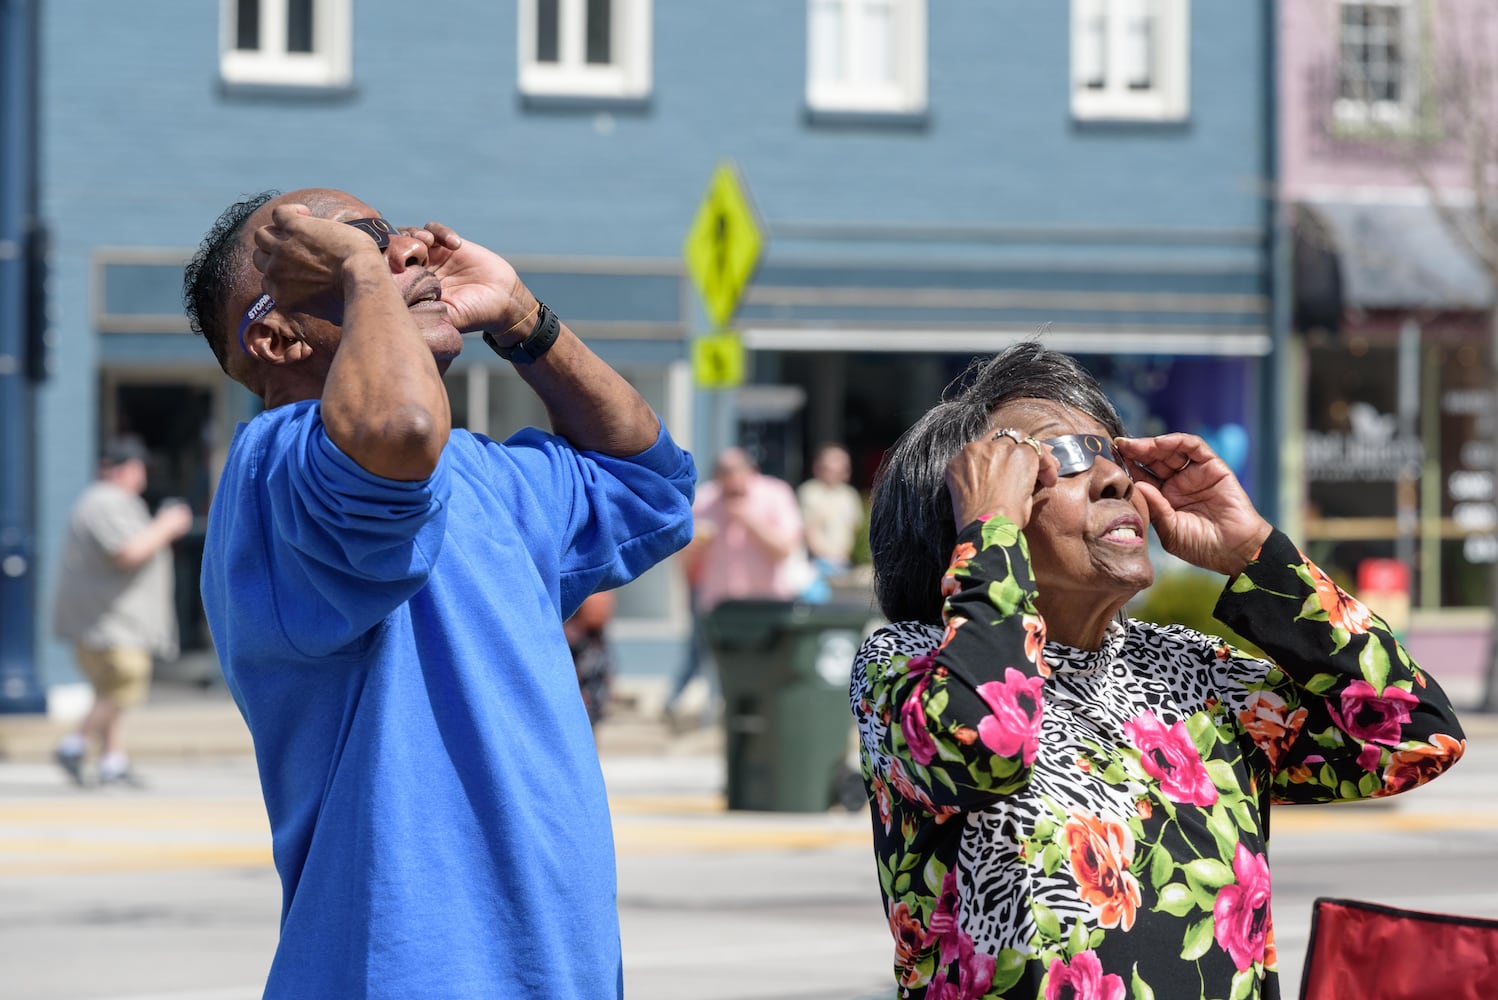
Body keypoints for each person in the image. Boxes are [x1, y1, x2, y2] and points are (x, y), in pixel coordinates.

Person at [181, 188, 695, 998]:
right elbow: (394, 436)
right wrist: (363, 273)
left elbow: (649, 487)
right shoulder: (273, 470)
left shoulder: (479, 473)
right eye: (347, 242)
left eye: (393, 238)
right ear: (275, 337)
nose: (404, 253)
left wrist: (524, 319)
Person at [851, 342, 1466, 999]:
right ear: (971, 507)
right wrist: (990, 533)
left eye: (1115, 456)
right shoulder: (906, 666)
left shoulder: (1188, 671)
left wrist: (1256, 555)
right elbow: (984, 742)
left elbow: (1413, 735)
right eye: (1066, 458)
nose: (1118, 481)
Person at [52, 439, 194, 787]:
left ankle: (112, 762)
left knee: (109, 693)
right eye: (136, 466)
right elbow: (127, 552)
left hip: (110, 620)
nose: (140, 473)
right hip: (111, 622)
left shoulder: (115, 501)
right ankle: (74, 743)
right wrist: (168, 525)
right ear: (119, 469)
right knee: (126, 683)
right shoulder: (104, 501)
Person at [664, 447, 805, 724]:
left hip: (768, 603)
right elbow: (683, 563)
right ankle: (723, 725)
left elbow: (785, 549)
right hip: (720, 606)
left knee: (767, 675)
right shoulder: (705, 499)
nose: (729, 482)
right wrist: (693, 550)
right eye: (722, 475)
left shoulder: (775, 494)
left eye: (735, 473)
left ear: (751, 472)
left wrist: (748, 520)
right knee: (720, 671)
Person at [797, 442, 865, 579]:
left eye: (842, 469)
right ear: (818, 468)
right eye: (830, 469)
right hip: (817, 565)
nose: (836, 473)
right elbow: (808, 531)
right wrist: (830, 558)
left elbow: (856, 529)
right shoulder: (810, 492)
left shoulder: (849, 495)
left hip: (845, 563)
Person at [566, 590, 617, 729]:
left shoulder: (598, 641)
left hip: (594, 705)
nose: (604, 607)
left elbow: (607, 669)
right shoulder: (571, 639)